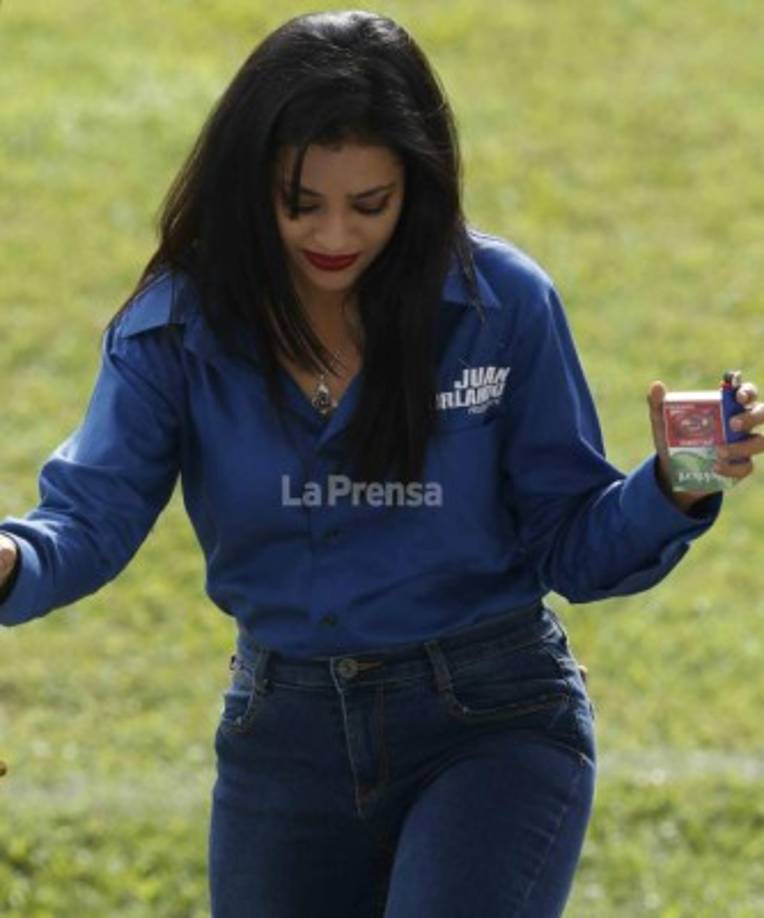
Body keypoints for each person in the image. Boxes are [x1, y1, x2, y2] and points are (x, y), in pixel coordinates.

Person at [0, 10, 761, 917]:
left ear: (419, 187)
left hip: (496, 720)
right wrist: (13, 563)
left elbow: (572, 546)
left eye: (371, 204)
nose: (334, 234)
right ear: (251, 187)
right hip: (281, 733)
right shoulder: (173, 325)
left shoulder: (502, 305)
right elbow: (89, 518)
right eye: (300, 202)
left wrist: (680, 482)